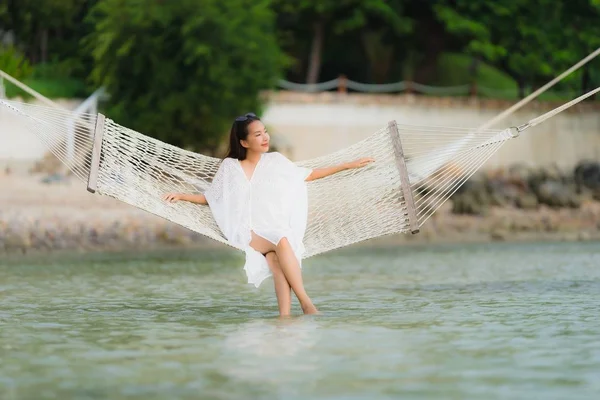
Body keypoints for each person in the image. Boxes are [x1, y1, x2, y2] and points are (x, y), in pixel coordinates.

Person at [162, 113, 374, 316]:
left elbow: (307, 175)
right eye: (257, 134)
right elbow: (213, 198)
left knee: (276, 262)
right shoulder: (230, 167)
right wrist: (182, 196)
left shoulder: (275, 161)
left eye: (264, 132)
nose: (265, 138)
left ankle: (284, 318)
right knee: (282, 240)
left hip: (269, 227)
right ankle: (306, 303)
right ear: (244, 142)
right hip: (244, 230)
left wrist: (346, 165)